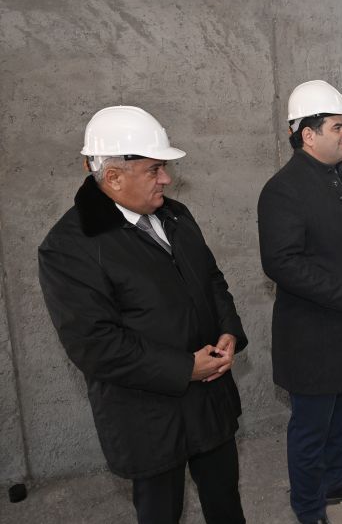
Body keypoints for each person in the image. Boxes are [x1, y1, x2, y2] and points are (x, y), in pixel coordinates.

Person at [38, 105, 248, 524]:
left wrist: (229, 331)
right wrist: (185, 368)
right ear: (114, 177)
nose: (166, 179)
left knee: (224, 499)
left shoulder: (176, 215)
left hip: (208, 400)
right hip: (148, 417)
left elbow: (211, 280)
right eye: (155, 169)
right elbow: (95, 345)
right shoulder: (69, 246)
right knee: (160, 512)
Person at [257, 80, 342, 524]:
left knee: (340, 417)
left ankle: (337, 480)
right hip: (312, 336)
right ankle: (308, 507)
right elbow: (281, 263)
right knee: (311, 428)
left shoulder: (341, 175)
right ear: (308, 134)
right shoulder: (283, 189)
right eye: (337, 127)